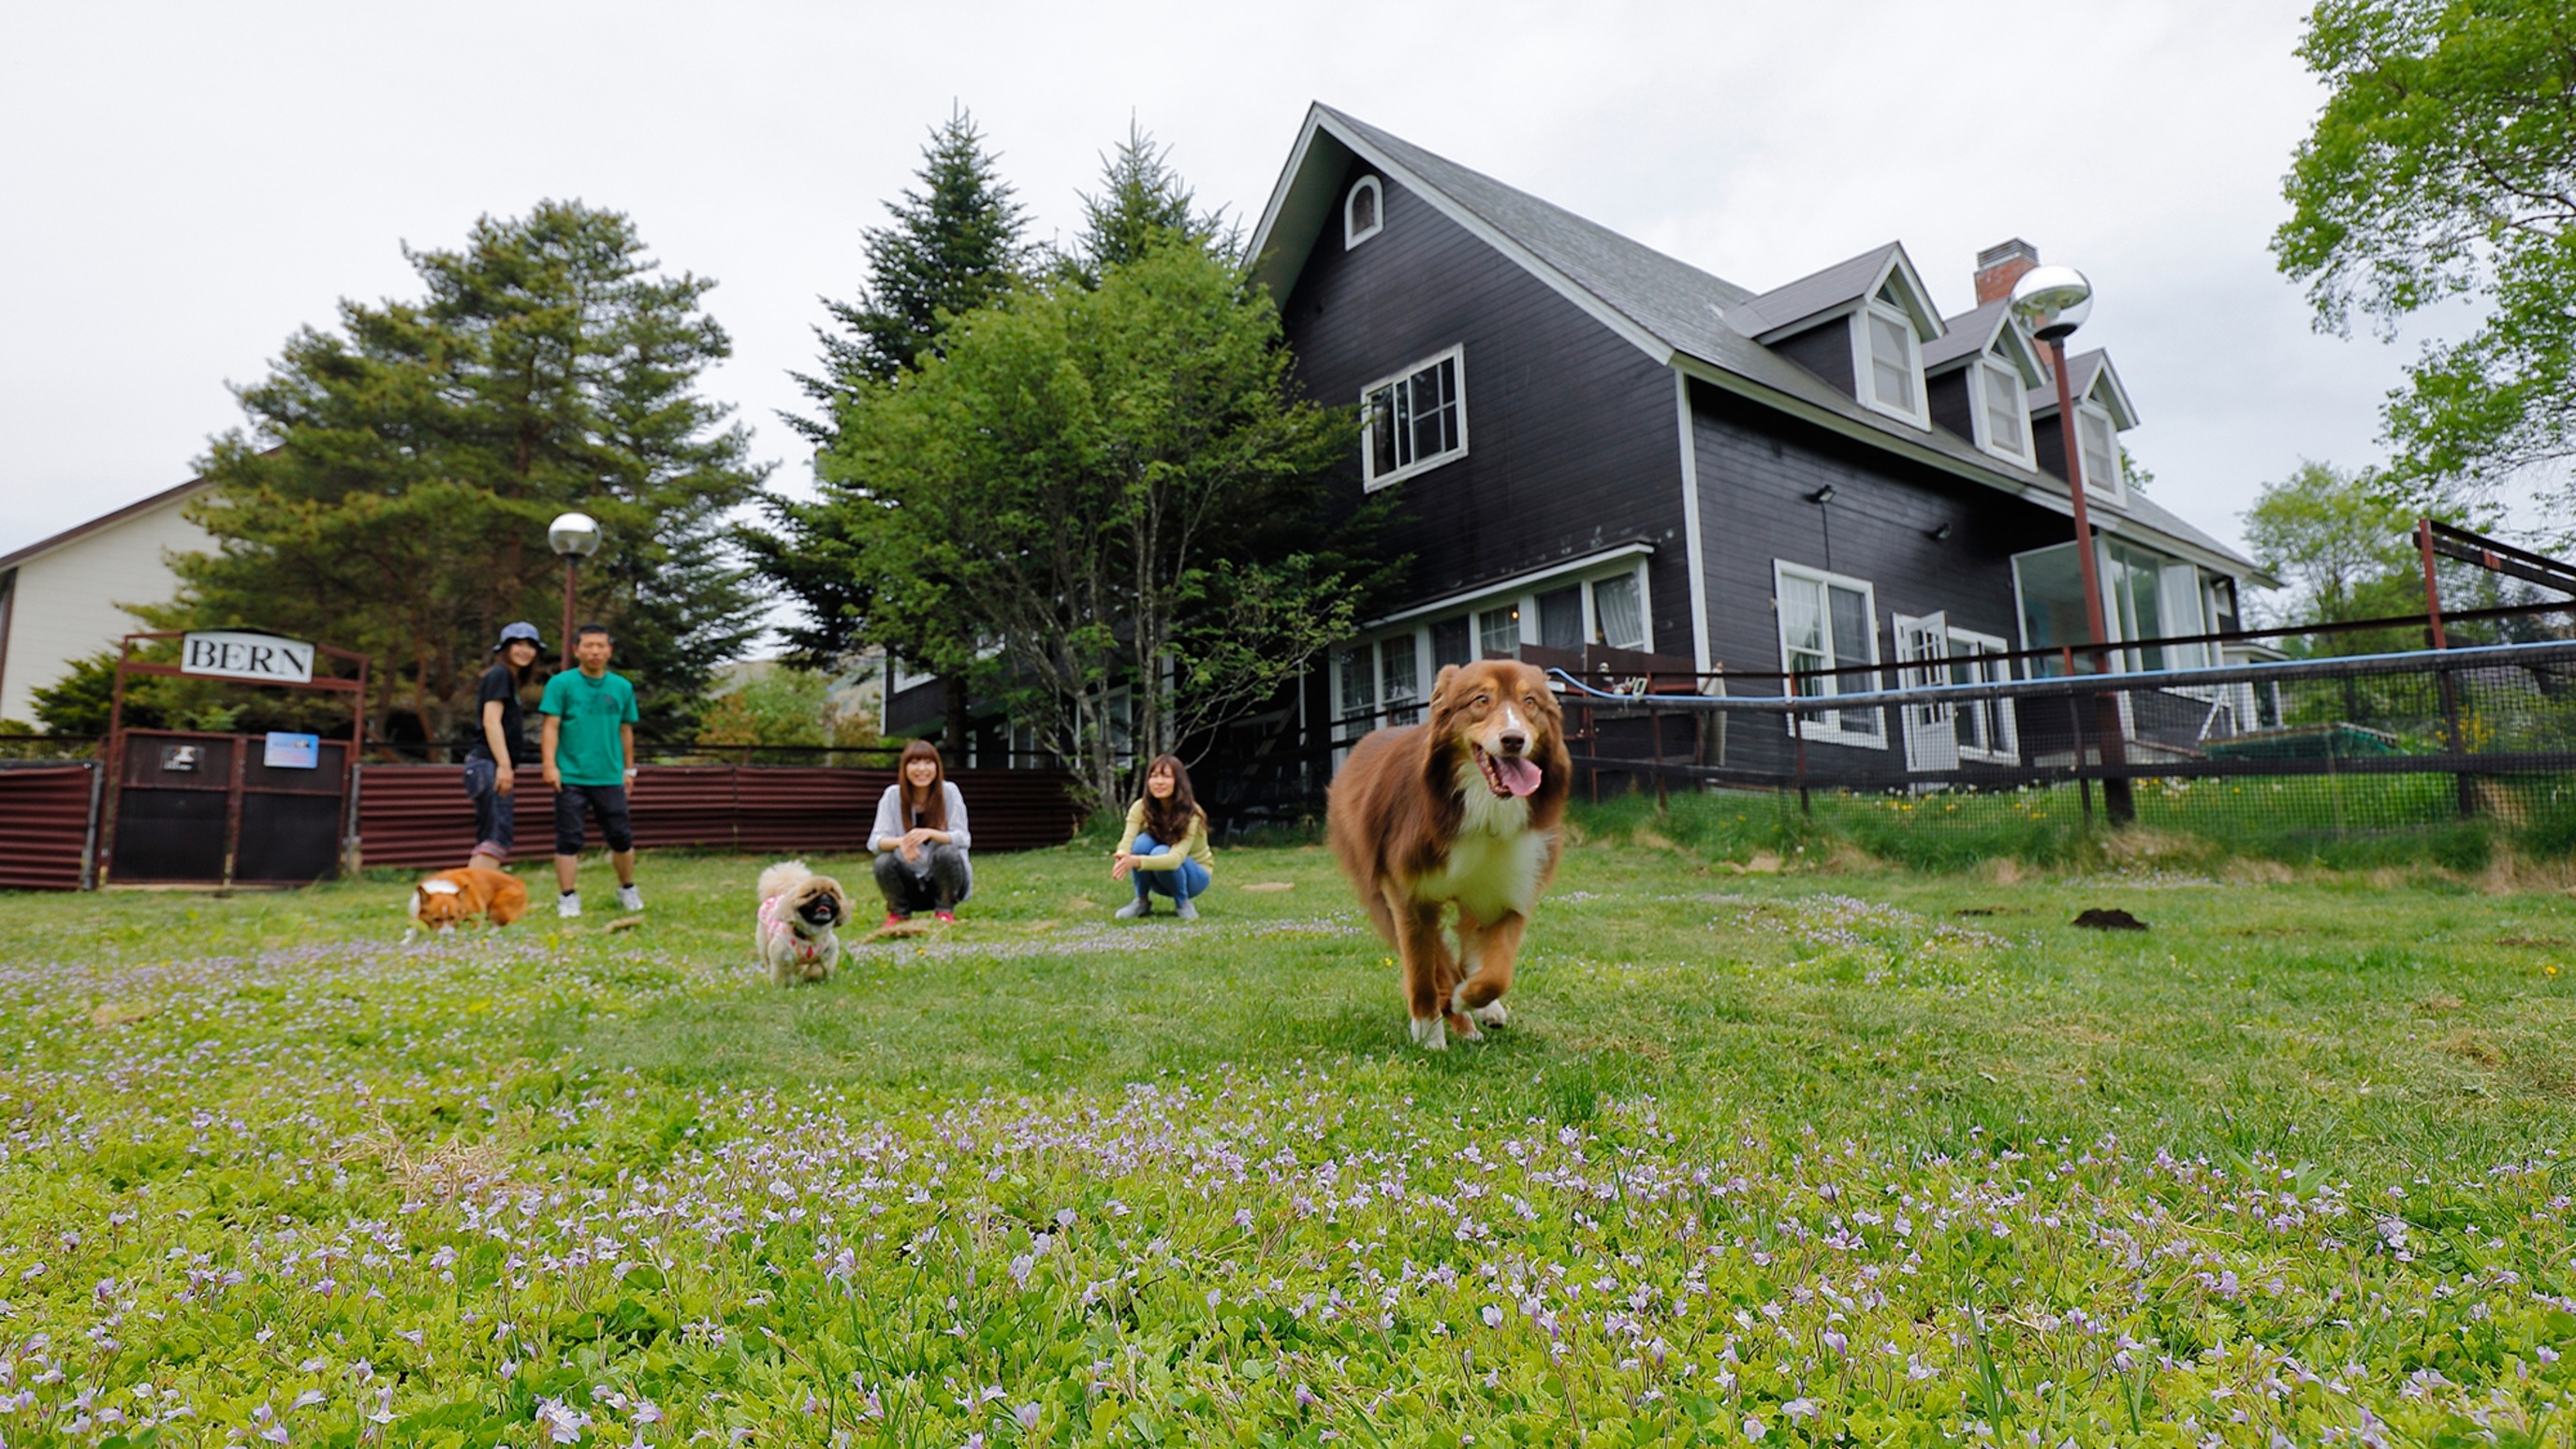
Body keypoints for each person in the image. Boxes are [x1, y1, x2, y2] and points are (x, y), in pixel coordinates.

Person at [538, 623, 642, 918]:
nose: (594, 651)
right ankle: (568, 897)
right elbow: (551, 727)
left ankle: (627, 888)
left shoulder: (621, 687)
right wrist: (550, 766)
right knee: (569, 838)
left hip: (610, 776)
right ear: (575, 650)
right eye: (588, 645)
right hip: (570, 776)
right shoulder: (561, 684)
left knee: (621, 836)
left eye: (600, 646)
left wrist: (629, 770)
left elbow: (626, 730)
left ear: (609, 651)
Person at [462, 622, 543, 872]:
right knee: (496, 837)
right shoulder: (499, 675)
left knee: (491, 837)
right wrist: (505, 766)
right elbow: (491, 720)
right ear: (505, 648)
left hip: (487, 765)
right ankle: (468, 899)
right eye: (518, 644)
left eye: (530, 646)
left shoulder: (506, 678)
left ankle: (471, 899)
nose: (525, 650)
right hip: (490, 764)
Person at [870, 739, 971, 925]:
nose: (921, 769)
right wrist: (902, 842)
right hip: (911, 883)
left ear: (937, 766)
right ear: (904, 768)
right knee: (883, 862)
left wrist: (931, 834)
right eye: (914, 763)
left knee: (947, 852)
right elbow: (875, 842)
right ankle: (899, 914)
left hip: (946, 882)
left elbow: (964, 838)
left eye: (928, 762)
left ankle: (945, 911)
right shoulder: (892, 795)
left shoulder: (950, 791)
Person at [1112, 754, 1214, 920]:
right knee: (1141, 843)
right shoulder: (1140, 807)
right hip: (1160, 875)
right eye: (1154, 776)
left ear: (1178, 782)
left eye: (1166, 776)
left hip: (1194, 878)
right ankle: (1141, 901)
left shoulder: (1192, 812)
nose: (1159, 782)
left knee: (1160, 852)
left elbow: (1175, 859)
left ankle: (1183, 903)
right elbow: (1127, 839)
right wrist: (1122, 855)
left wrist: (1136, 861)